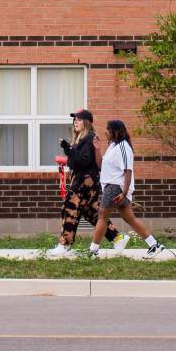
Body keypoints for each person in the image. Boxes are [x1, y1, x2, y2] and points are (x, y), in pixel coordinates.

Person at [45, 109, 130, 257]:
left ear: (87, 122)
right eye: (74, 120)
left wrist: (68, 148)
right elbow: (77, 160)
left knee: (69, 207)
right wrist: (68, 155)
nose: (75, 122)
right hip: (85, 181)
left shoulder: (90, 138)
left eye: (79, 119)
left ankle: (64, 245)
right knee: (90, 212)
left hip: (86, 181)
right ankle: (117, 237)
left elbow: (84, 160)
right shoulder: (80, 140)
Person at [89, 119, 167, 258]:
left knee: (102, 217)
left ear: (116, 131)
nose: (105, 131)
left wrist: (124, 193)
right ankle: (154, 245)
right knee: (129, 218)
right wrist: (97, 148)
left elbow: (128, 171)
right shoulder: (113, 145)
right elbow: (100, 165)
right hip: (113, 187)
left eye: (108, 129)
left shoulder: (124, 147)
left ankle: (93, 251)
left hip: (116, 187)